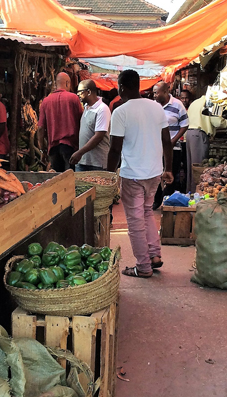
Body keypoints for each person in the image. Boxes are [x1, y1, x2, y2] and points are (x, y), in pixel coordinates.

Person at [107, 69, 173, 278]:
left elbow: (115, 149)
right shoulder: (156, 108)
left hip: (133, 175)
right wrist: (168, 168)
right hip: (154, 173)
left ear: (122, 87)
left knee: (135, 221)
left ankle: (143, 266)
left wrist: (109, 176)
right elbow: (166, 142)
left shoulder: (121, 112)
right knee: (146, 213)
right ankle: (154, 255)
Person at [153, 82, 189, 207]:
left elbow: (185, 125)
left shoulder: (177, 105)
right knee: (156, 174)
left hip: (174, 148)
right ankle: (157, 201)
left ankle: (167, 202)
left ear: (164, 92)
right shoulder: (154, 106)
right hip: (156, 149)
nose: (154, 95)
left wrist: (173, 141)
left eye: (156, 92)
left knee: (170, 175)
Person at [185, 94, 227, 193]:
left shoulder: (195, 102)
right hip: (199, 135)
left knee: (191, 168)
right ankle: (198, 193)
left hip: (190, 134)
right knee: (199, 168)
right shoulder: (211, 102)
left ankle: (191, 192)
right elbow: (218, 122)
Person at [38, 72, 82, 172]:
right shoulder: (73, 98)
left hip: (53, 148)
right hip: (70, 146)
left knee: (57, 180)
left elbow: (40, 128)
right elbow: (81, 120)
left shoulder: (46, 101)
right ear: (67, 83)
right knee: (70, 178)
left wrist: (43, 150)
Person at [69, 79, 111, 171]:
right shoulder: (86, 108)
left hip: (97, 163)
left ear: (88, 92)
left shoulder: (102, 109)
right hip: (83, 162)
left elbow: (99, 136)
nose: (78, 95)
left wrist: (79, 152)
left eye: (80, 92)